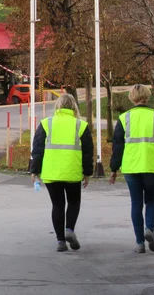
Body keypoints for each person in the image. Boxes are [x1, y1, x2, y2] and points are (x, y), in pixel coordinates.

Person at [109, 84, 154, 253]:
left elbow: (117, 147)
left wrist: (113, 169)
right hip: (151, 165)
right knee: (151, 200)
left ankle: (139, 243)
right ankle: (150, 229)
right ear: (147, 96)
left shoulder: (124, 118)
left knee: (136, 203)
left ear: (131, 98)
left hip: (131, 166)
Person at [31, 94, 94, 252]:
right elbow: (87, 153)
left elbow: (37, 150)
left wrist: (35, 171)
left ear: (57, 106)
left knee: (57, 205)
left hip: (52, 173)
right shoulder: (81, 125)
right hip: (72, 172)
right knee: (74, 202)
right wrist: (87, 173)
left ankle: (60, 241)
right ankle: (70, 230)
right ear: (74, 107)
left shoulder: (46, 124)